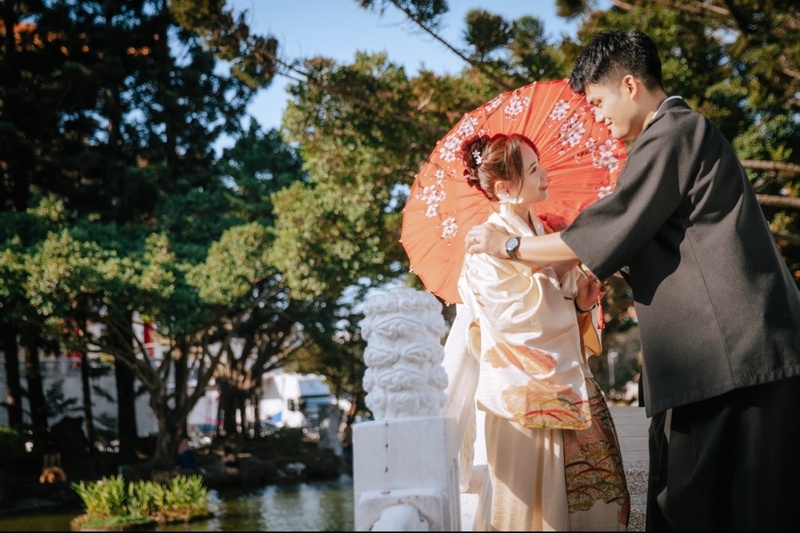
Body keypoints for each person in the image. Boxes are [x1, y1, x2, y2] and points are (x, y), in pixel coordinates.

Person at [465, 30, 800, 531]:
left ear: (629, 85)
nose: (597, 116)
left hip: (730, 359)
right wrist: (582, 270)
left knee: (704, 509)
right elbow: (637, 238)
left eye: (598, 102)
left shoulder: (674, 132)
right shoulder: (678, 136)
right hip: (724, 360)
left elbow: (614, 223)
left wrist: (511, 246)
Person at [453, 132, 630, 531]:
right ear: (504, 188)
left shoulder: (538, 233)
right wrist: (561, 269)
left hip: (568, 383)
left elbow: (554, 306)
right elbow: (521, 323)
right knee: (537, 515)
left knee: (601, 495)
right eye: (533, 170)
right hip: (522, 401)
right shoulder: (483, 247)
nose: (544, 175)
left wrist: (580, 303)